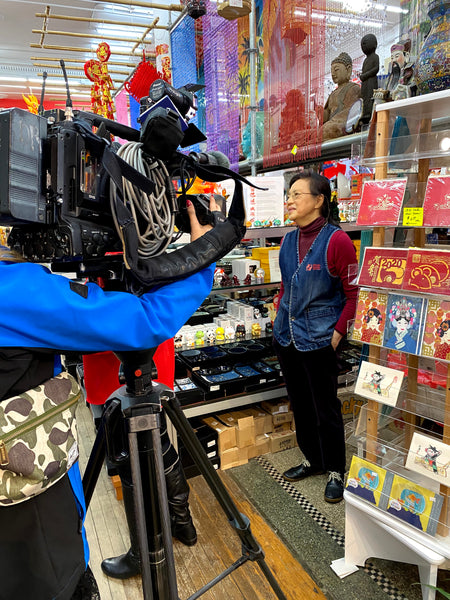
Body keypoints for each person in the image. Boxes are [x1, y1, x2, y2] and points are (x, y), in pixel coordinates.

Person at [0, 197, 217, 599]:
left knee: (147, 449)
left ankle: (170, 526)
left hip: (32, 544)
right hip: (35, 546)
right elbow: (142, 319)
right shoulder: (12, 290)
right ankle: (159, 535)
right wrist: (207, 255)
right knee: (127, 452)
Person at [272, 171, 358, 503]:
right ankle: (313, 459)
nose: (289, 201)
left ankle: (336, 469)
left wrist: (336, 336)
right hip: (287, 338)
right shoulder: (288, 239)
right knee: (301, 404)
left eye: (296, 194)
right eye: (288, 195)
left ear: (319, 200)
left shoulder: (337, 241)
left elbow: (353, 296)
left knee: (326, 407)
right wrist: (278, 314)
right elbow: (286, 286)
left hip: (321, 340)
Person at [322, 52, 361, 141]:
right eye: (331, 71)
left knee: (328, 129)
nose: (333, 74)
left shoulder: (353, 88)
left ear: (348, 70)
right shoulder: (333, 93)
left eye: (336, 70)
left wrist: (333, 122)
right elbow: (327, 114)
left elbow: (350, 112)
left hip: (340, 125)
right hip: (329, 124)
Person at [359, 34, 379, 124]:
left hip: (371, 81)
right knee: (364, 97)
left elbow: (376, 68)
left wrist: (365, 75)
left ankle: (368, 113)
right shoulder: (365, 60)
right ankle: (364, 112)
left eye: (365, 43)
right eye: (362, 44)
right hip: (365, 82)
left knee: (370, 96)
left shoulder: (375, 57)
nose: (363, 45)